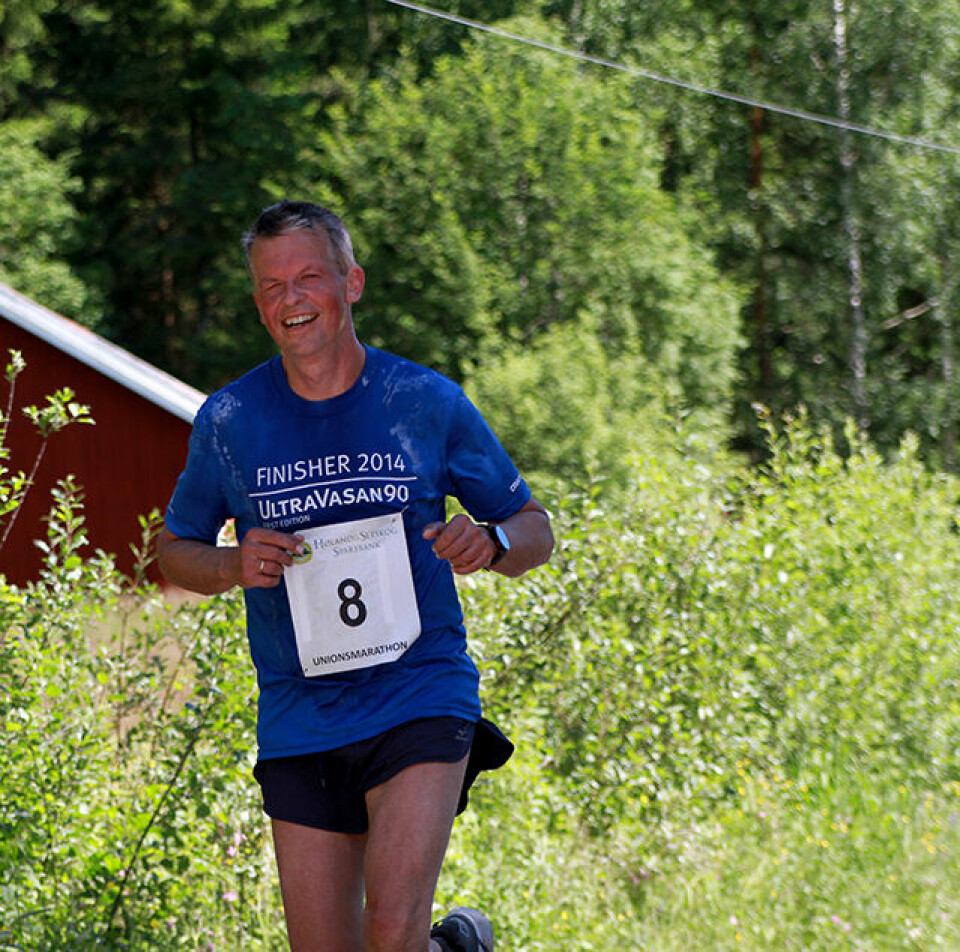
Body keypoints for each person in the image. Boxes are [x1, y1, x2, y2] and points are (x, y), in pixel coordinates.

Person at [156, 199, 554, 952]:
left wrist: (490, 541)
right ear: (257, 303)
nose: (291, 299)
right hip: (299, 710)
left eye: (309, 277)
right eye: (271, 286)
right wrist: (232, 564)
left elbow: (536, 529)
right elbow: (174, 549)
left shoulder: (424, 402)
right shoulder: (229, 420)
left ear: (352, 282)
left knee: (390, 928)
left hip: (418, 691)